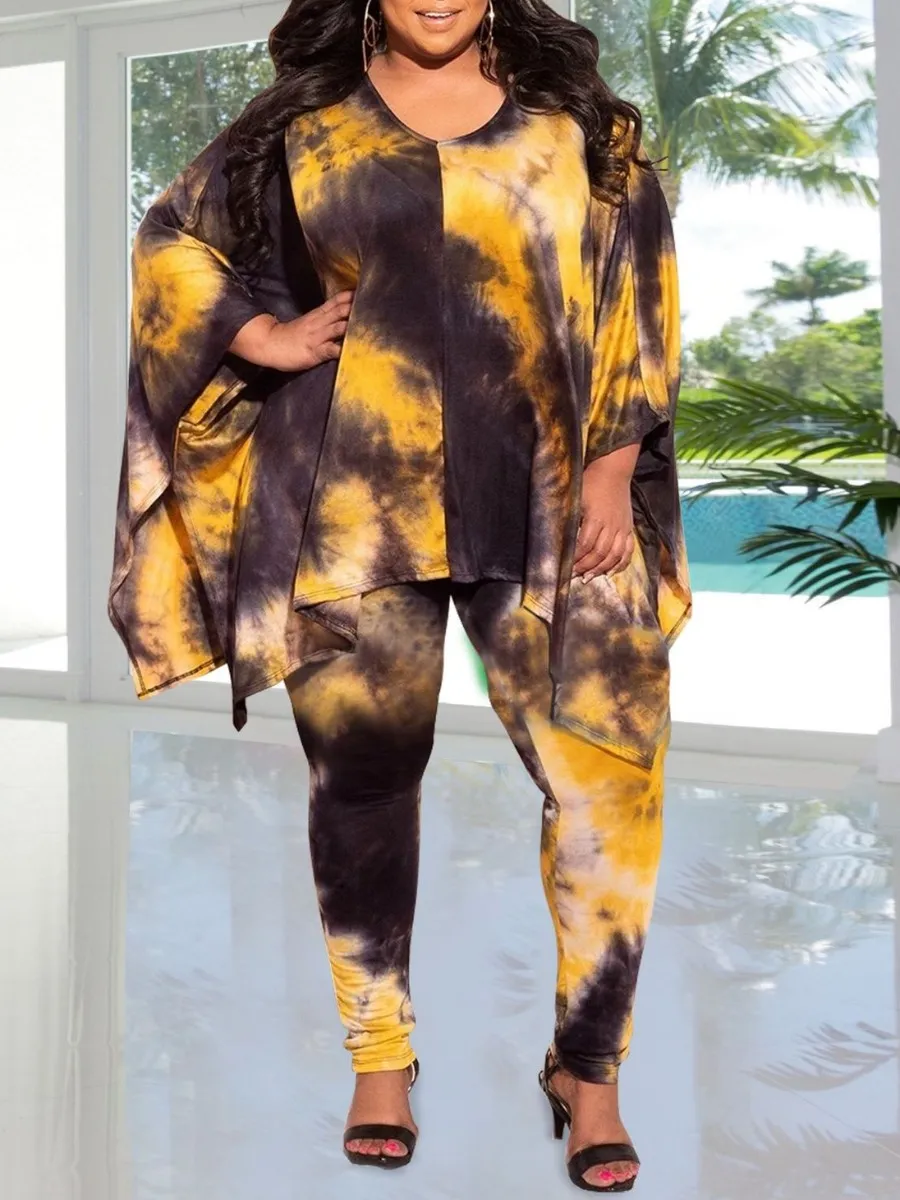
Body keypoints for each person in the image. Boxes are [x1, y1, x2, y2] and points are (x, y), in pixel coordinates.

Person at [108, 0, 692, 1191]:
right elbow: (170, 240)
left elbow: (639, 288)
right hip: (350, 498)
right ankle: (380, 1054)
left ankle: (589, 1068)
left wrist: (615, 461)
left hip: (546, 494)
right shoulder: (303, 126)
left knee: (607, 780)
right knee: (364, 782)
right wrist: (259, 334)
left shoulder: (580, 126)